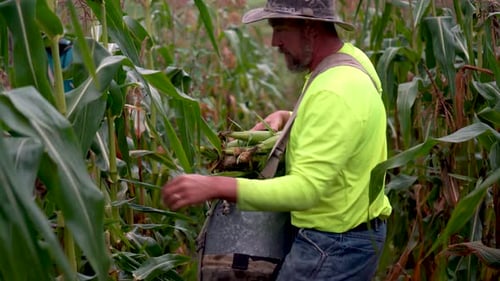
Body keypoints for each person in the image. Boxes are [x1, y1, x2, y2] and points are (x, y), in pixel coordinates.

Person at [163, 0, 392, 280]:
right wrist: (288, 118)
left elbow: (306, 189)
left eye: (280, 28)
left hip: (332, 247)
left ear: (309, 27)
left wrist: (215, 185)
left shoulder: (335, 91)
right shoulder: (349, 60)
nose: (274, 42)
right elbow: (349, 125)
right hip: (349, 234)